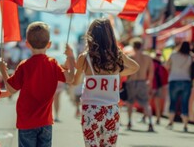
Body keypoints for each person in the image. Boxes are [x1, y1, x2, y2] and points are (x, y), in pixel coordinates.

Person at [0, 21, 75, 147]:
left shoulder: (24, 66)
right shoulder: (53, 63)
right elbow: (71, 78)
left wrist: (3, 72)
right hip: (45, 121)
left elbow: (11, 89)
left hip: (26, 122)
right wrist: (71, 58)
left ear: (27, 44)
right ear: (49, 44)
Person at [72, 18, 139, 147]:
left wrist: (70, 59)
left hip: (90, 109)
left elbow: (75, 82)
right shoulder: (116, 56)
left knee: (91, 144)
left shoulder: (84, 58)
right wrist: (117, 74)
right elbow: (135, 67)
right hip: (111, 110)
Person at [125, 37, 155, 132]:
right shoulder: (147, 57)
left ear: (133, 46)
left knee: (130, 103)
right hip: (143, 81)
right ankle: (150, 123)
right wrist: (149, 81)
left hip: (132, 81)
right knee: (146, 103)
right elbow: (151, 71)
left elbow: (126, 71)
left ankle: (129, 122)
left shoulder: (130, 56)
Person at [165, 41, 193, 132]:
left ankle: (170, 122)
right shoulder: (190, 57)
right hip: (186, 81)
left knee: (173, 102)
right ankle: (185, 125)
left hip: (174, 80)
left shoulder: (173, 55)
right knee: (185, 103)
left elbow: (167, 66)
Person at [151, 51, 168, 125]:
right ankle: (158, 118)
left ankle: (146, 117)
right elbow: (165, 78)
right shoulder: (162, 66)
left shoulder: (152, 64)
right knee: (157, 104)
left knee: (147, 102)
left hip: (152, 86)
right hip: (159, 86)